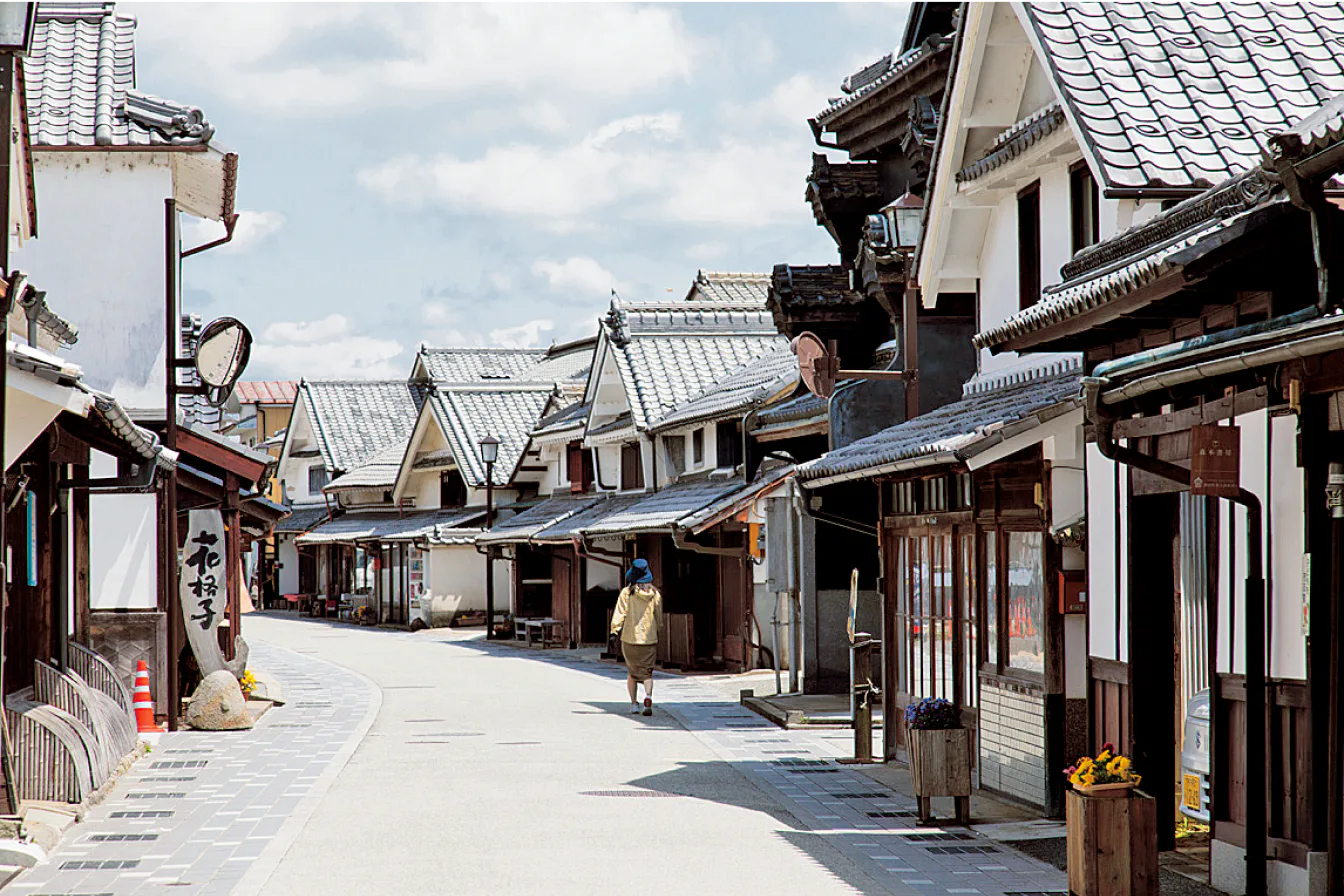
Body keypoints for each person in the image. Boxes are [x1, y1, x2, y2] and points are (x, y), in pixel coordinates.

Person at [609, 558, 662, 716]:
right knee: (647, 673)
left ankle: (633, 704)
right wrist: (658, 629)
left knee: (632, 673)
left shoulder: (626, 593)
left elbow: (620, 613)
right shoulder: (655, 595)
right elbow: (658, 617)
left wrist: (614, 632)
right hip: (649, 639)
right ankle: (648, 697)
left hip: (630, 639)